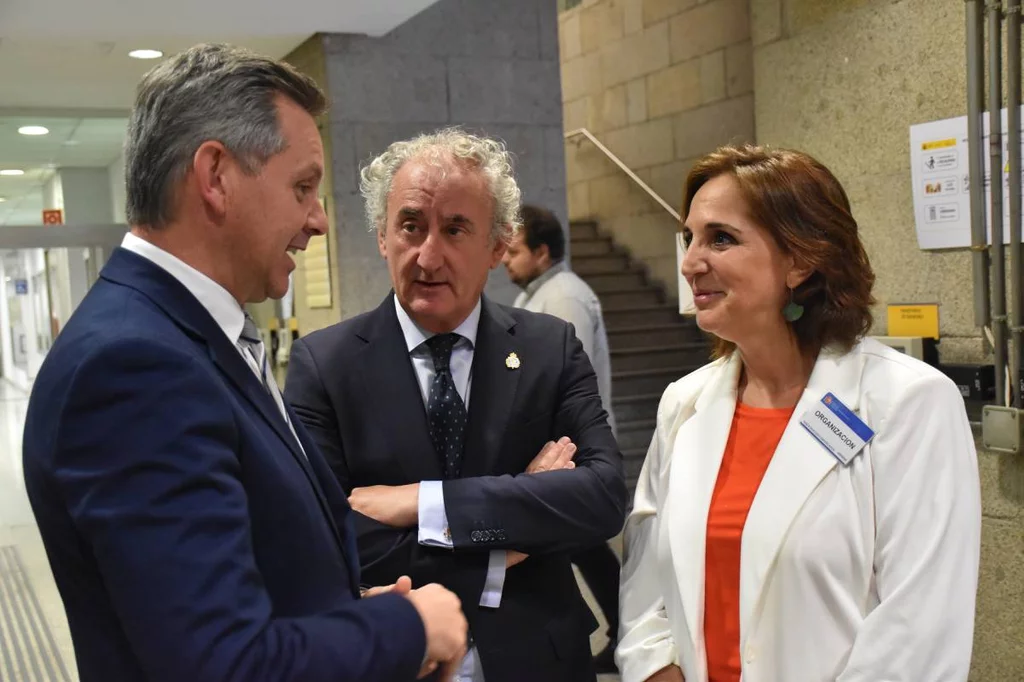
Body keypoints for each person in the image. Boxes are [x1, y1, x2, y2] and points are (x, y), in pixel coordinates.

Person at [22, 43, 467, 682]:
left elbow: (235, 585)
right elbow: (221, 664)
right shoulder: (135, 368)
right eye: (302, 186)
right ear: (216, 177)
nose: (318, 220)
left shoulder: (186, 336)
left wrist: (345, 618)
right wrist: (407, 627)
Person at [616, 144, 981, 682]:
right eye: (689, 237)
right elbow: (646, 590)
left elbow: (918, 632)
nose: (691, 261)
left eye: (721, 238)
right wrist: (655, 670)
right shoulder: (685, 404)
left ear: (800, 259)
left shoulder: (908, 403)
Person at [284, 128, 628, 682]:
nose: (428, 254)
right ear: (381, 235)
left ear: (497, 246)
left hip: (538, 659)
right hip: (395, 658)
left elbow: (603, 498)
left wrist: (423, 503)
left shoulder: (548, 348)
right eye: (411, 226)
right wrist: (502, 543)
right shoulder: (324, 365)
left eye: (455, 229)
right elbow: (325, 535)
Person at [502, 204, 621, 674]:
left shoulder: (565, 297)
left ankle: (612, 629)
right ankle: (613, 627)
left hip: (568, 451)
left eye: (514, 251)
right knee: (583, 549)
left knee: (581, 547)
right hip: (550, 451)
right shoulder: (539, 294)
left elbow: (571, 383)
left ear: (543, 252)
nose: (506, 260)